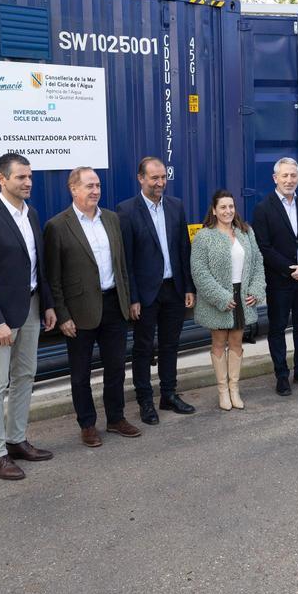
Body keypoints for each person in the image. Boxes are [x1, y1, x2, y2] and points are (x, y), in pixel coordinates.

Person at [0, 152, 57, 480]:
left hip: (31, 308)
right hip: (0, 319)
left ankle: (16, 440)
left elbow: (38, 265)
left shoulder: (31, 214)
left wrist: (47, 305)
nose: (28, 182)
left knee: (25, 376)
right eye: (21, 177)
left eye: (30, 176)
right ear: (1, 179)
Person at [44, 166, 141, 447]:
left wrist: (130, 299)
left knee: (115, 368)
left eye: (97, 185)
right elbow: (54, 276)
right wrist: (62, 315)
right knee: (80, 373)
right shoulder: (58, 226)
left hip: (114, 304)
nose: (95, 190)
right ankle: (87, 424)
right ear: (73, 189)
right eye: (89, 186)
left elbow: (121, 264)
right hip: (78, 310)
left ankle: (116, 418)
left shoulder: (111, 219)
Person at [117, 157, 196, 425]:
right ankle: (145, 401)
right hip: (146, 294)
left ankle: (169, 394)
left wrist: (188, 286)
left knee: (171, 345)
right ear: (141, 178)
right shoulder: (126, 211)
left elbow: (183, 249)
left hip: (173, 289)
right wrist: (133, 297)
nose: (160, 183)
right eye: (154, 178)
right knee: (142, 349)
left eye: (163, 177)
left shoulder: (176, 206)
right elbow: (126, 260)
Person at [252, 157, 298, 396]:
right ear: (275, 178)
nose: (289, 180)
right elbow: (263, 247)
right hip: (279, 281)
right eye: (284, 175)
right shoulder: (263, 208)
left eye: (293, 175)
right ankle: (282, 375)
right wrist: (290, 269)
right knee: (277, 329)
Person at [190, 190, 266, 410]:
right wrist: (220, 297)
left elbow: (258, 262)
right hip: (219, 298)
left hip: (242, 296)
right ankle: (222, 391)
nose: (228, 211)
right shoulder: (205, 236)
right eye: (223, 207)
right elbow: (199, 271)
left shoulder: (245, 231)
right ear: (214, 210)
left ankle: (235, 389)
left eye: (231, 206)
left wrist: (256, 288)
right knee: (219, 342)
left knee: (236, 343)